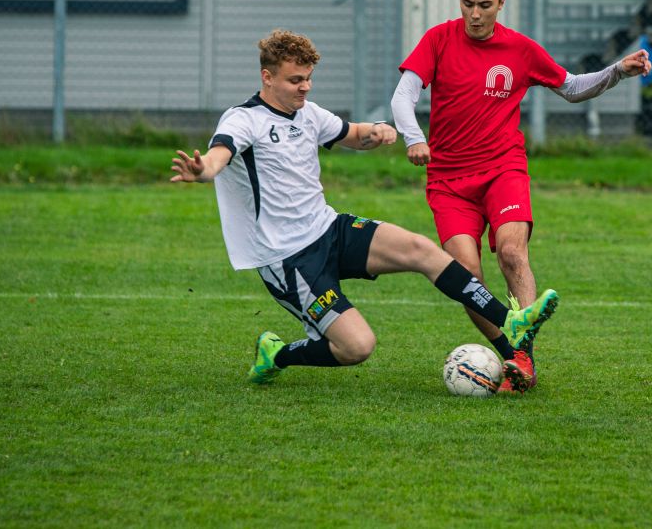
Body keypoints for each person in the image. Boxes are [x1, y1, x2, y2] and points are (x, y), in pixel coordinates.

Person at [170, 28, 558, 388]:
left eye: (308, 78)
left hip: (329, 229)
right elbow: (219, 156)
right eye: (294, 81)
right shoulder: (244, 120)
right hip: (288, 258)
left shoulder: (308, 112)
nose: (304, 87)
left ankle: (512, 323)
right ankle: (278, 353)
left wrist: (375, 131)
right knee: (357, 347)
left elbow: (350, 134)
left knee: (422, 249)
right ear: (267, 77)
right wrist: (202, 170)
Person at [390, 0, 651, 393]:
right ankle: (509, 353)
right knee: (465, 274)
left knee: (511, 253)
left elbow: (570, 87)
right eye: (468, 4)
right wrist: (413, 138)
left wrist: (617, 71)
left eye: (485, 5)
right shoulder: (438, 39)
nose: (475, 14)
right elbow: (405, 93)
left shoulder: (521, 50)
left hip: (502, 168)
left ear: (501, 3)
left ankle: (524, 357)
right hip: (449, 180)